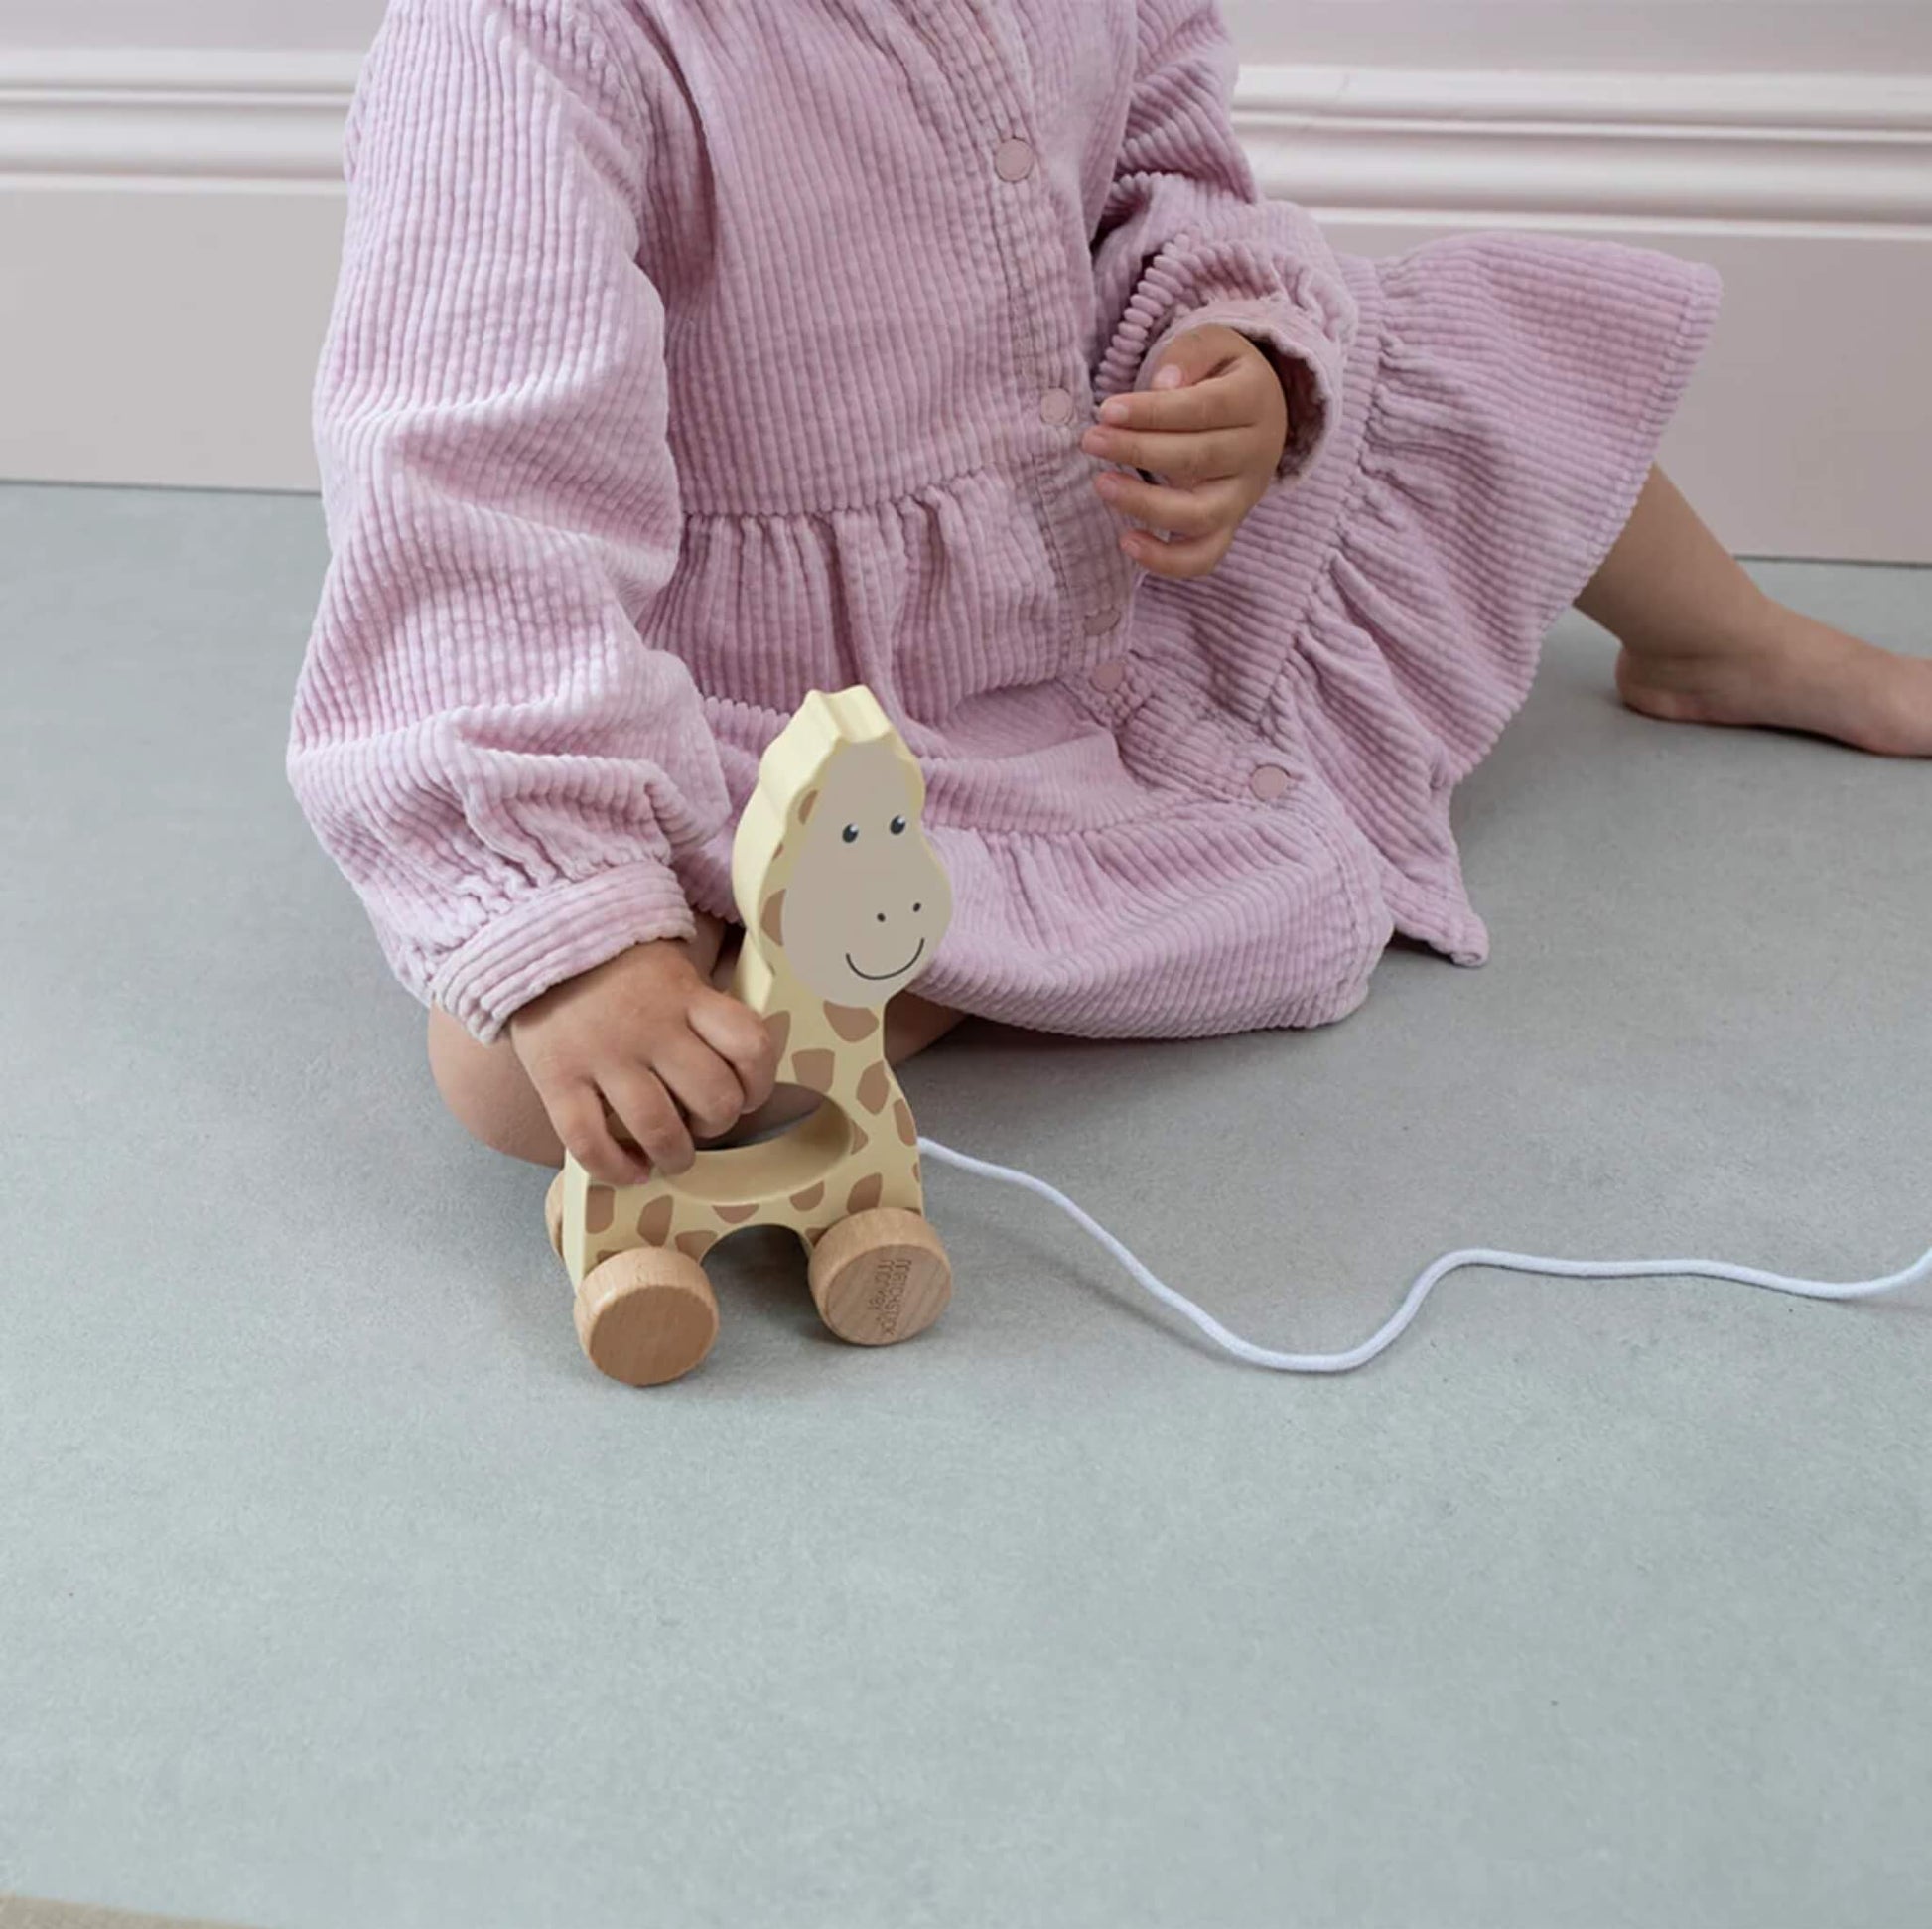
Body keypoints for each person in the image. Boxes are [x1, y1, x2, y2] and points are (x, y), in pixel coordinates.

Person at [289, 0, 1932, 1191]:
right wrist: (574, 924)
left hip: (1125, 536)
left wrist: (1234, 367)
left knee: (1478, 356)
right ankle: (989, 931)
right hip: (805, 703)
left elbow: (1170, 173)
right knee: (516, 1068)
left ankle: (1722, 640)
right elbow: (472, 485)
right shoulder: (525, 41)